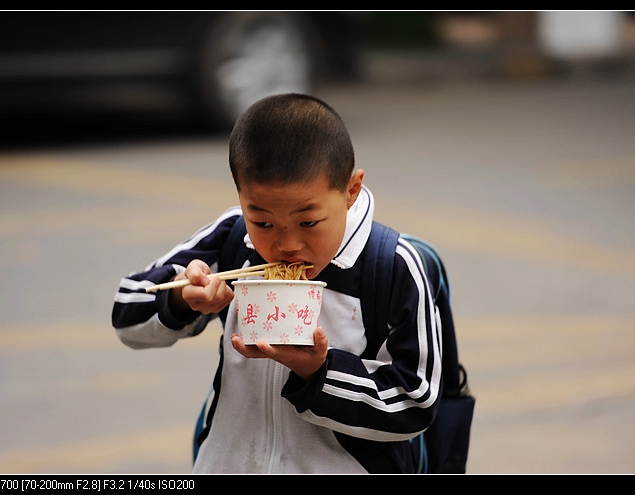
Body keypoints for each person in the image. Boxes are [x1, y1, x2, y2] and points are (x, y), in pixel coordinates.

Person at [111, 93, 443, 474]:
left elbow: (416, 404)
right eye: (264, 222)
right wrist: (184, 301)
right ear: (240, 194)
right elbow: (126, 313)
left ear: (350, 191)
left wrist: (320, 373)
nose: (286, 245)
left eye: (308, 222)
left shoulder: (392, 267)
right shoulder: (234, 239)